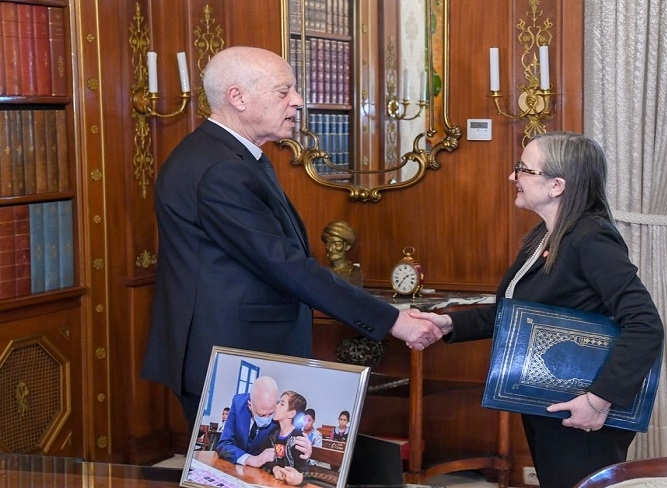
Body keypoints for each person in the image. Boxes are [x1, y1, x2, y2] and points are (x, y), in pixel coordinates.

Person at [140, 45, 442, 430]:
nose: (298, 101)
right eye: (284, 92)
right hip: (230, 355)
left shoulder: (228, 156)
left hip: (237, 349)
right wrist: (391, 320)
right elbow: (285, 266)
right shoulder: (220, 170)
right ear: (238, 97)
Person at [411, 132, 664, 488]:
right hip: (548, 400)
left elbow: (645, 324)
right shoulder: (546, 235)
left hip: (582, 406)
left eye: (523, 169)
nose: (512, 177)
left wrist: (598, 399)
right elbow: (515, 314)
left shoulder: (591, 238)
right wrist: (448, 322)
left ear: (556, 185)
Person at [260, 390, 310, 485]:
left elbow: (305, 473)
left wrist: (299, 479)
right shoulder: (272, 435)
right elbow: (265, 461)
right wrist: (275, 468)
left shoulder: (298, 439)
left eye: (281, 404)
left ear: (291, 413)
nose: (276, 406)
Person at [321, 221, 363, 286]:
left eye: (337, 244)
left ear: (347, 246)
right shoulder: (324, 271)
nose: (330, 249)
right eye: (328, 244)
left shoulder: (353, 272)